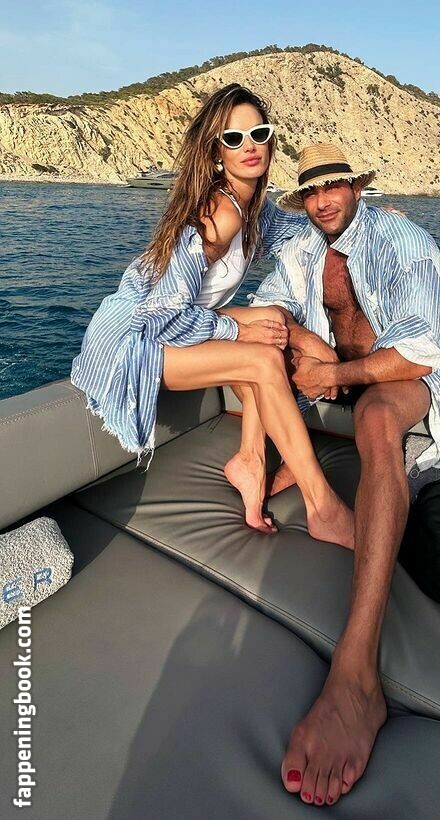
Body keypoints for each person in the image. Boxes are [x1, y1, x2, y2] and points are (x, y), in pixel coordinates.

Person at [247, 143, 440, 807]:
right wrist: (297, 338)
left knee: (374, 420)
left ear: (356, 188)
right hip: (331, 381)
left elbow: (422, 350)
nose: (323, 202)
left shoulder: (402, 240)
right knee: (259, 340)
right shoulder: (302, 246)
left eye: (334, 187)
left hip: (397, 381)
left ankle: (357, 670)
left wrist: (333, 372)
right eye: (312, 192)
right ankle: (269, 460)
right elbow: (267, 307)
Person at [70, 86, 353, 547]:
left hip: (167, 320)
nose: (250, 146)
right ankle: (324, 508)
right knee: (261, 354)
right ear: (217, 152)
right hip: (132, 339)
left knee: (270, 323)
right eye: (233, 138)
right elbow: (162, 316)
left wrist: (364, 219)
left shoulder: (251, 207)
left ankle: (250, 460)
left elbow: (300, 234)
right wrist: (237, 327)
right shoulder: (219, 216)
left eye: (259, 133)